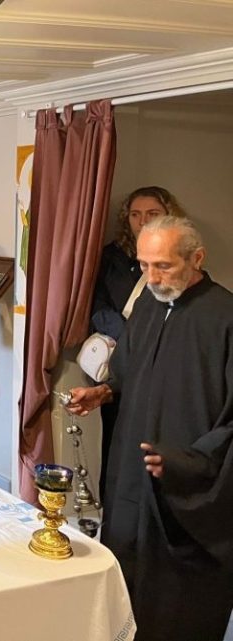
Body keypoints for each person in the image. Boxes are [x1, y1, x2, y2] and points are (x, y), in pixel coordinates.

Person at [65, 216, 233, 641]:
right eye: (143, 265)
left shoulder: (225, 317)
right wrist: (102, 392)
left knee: (176, 600)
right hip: (130, 469)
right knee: (124, 566)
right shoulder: (146, 305)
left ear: (197, 258)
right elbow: (130, 372)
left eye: (163, 266)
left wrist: (189, 461)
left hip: (188, 487)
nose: (151, 277)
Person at [89, 186, 186, 498]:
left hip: (161, 368)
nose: (142, 220)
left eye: (152, 214)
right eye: (136, 214)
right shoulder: (111, 257)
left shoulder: (181, 261)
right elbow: (97, 304)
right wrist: (129, 337)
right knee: (116, 442)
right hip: (120, 361)